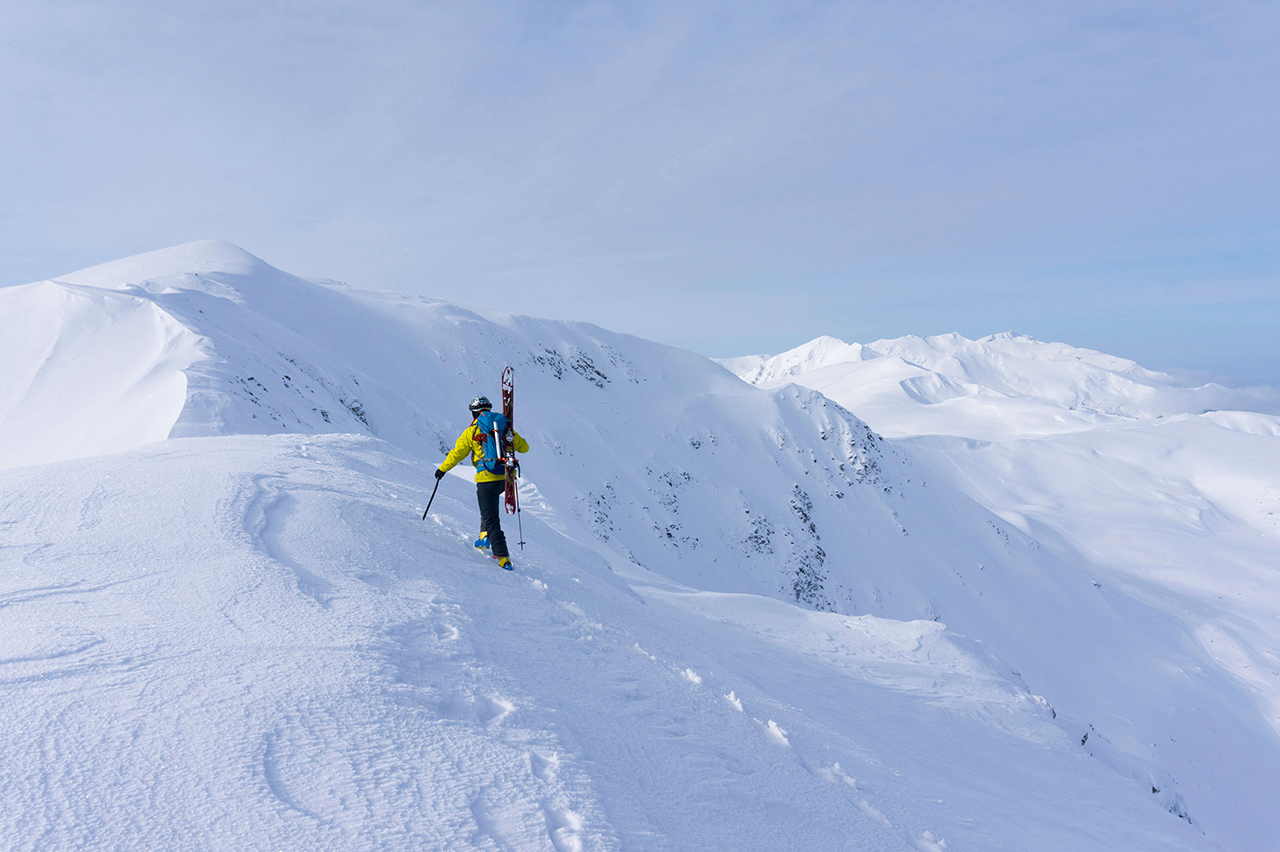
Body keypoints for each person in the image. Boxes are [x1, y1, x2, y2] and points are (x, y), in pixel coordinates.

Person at [435, 395, 529, 569]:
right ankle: (484, 537)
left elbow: (457, 453)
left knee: (491, 517)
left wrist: (442, 470)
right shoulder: (503, 427)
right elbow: (524, 447)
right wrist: (510, 434)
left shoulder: (472, 431)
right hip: (506, 478)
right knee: (488, 509)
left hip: (486, 479)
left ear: (474, 413)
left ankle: (503, 557)